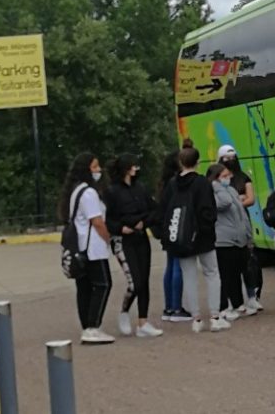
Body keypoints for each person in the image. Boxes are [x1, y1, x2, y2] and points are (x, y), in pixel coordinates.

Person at [162, 147, 230, 332]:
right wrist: (206, 227)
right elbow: (209, 209)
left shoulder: (172, 184)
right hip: (203, 237)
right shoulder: (202, 182)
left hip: (181, 238)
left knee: (189, 276)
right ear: (197, 162)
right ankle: (215, 316)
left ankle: (196, 319)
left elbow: (165, 209)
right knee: (212, 274)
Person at [103, 154, 163, 338]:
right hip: (123, 241)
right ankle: (124, 311)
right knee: (134, 282)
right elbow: (109, 219)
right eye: (133, 166)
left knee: (144, 280)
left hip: (140, 237)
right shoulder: (112, 192)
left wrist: (143, 223)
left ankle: (143, 322)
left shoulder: (140, 188)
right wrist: (121, 228)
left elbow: (154, 210)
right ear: (126, 168)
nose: (136, 169)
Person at [60, 152, 114, 344]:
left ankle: (87, 326)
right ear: (86, 170)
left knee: (84, 288)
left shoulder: (76, 191)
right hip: (93, 248)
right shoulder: (89, 193)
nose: (98, 170)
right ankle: (93, 326)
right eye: (94, 167)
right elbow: (97, 221)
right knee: (103, 284)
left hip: (80, 247)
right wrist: (108, 238)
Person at [217, 144, 262, 313]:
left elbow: (250, 198)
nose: (230, 161)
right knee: (231, 265)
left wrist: (236, 202)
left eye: (232, 157)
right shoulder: (217, 182)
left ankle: (252, 296)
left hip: (243, 223)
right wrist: (238, 201)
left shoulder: (243, 177)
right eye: (226, 159)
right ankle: (231, 300)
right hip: (227, 227)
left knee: (248, 261)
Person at [209, 163, 254, 321]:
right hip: (223, 240)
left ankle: (238, 303)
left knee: (236, 273)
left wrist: (248, 235)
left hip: (238, 239)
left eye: (228, 176)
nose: (228, 179)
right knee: (225, 275)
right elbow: (225, 203)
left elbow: (241, 213)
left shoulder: (231, 190)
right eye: (224, 176)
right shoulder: (214, 193)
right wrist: (217, 186)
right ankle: (223, 307)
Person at [157, 144, 190, 323]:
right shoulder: (177, 182)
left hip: (167, 228)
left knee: (170, 265)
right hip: (177, 227)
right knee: (178, 266)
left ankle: (169, 306)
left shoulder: (165, 183)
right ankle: (176, 307)